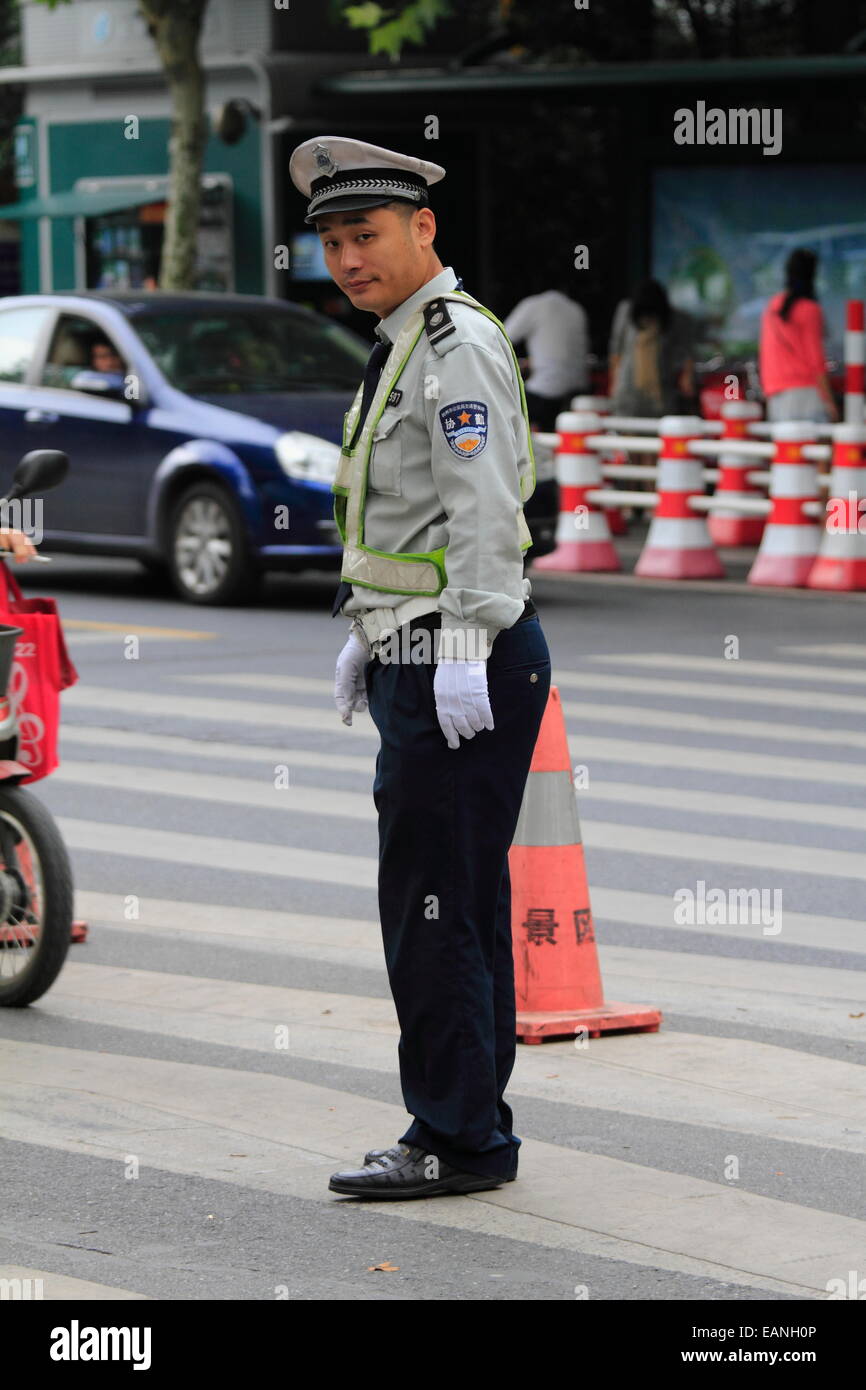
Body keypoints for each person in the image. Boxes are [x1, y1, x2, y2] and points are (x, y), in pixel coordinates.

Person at [289, 136, 552, 1200]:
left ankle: (450, 1135)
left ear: (421, 228)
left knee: (431, 903)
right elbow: (411, 515)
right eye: (334, 242)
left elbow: (485, 509)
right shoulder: (404, 341)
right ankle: (470, 1123)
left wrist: (463, 640)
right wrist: (369, 623)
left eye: (366, 236)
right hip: (425, 643)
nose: (349, 259)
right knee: (457, 897)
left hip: (461, 656)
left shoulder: (451, 345)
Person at [759, 247, 838, 426]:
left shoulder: (773, 306)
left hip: (775, 392)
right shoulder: (810, 309)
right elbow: (815, 359)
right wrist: (829, 400)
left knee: (787, 450)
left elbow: (767, 351)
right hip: (805, 394)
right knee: (814, 450)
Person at [503, 280, 589, 430]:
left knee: (504, 408)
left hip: (544, 394)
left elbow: (501, 337)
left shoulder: (533, 305)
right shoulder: (577, 309)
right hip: (577, 392)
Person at [608, 278, 695, 418]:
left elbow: (686, 353)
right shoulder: (626, 311)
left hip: (662, 394)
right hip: (627, 393)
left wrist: (687, 378)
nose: (648, 319)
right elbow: (616, 350)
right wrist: (614, 383)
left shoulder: (674, 319)